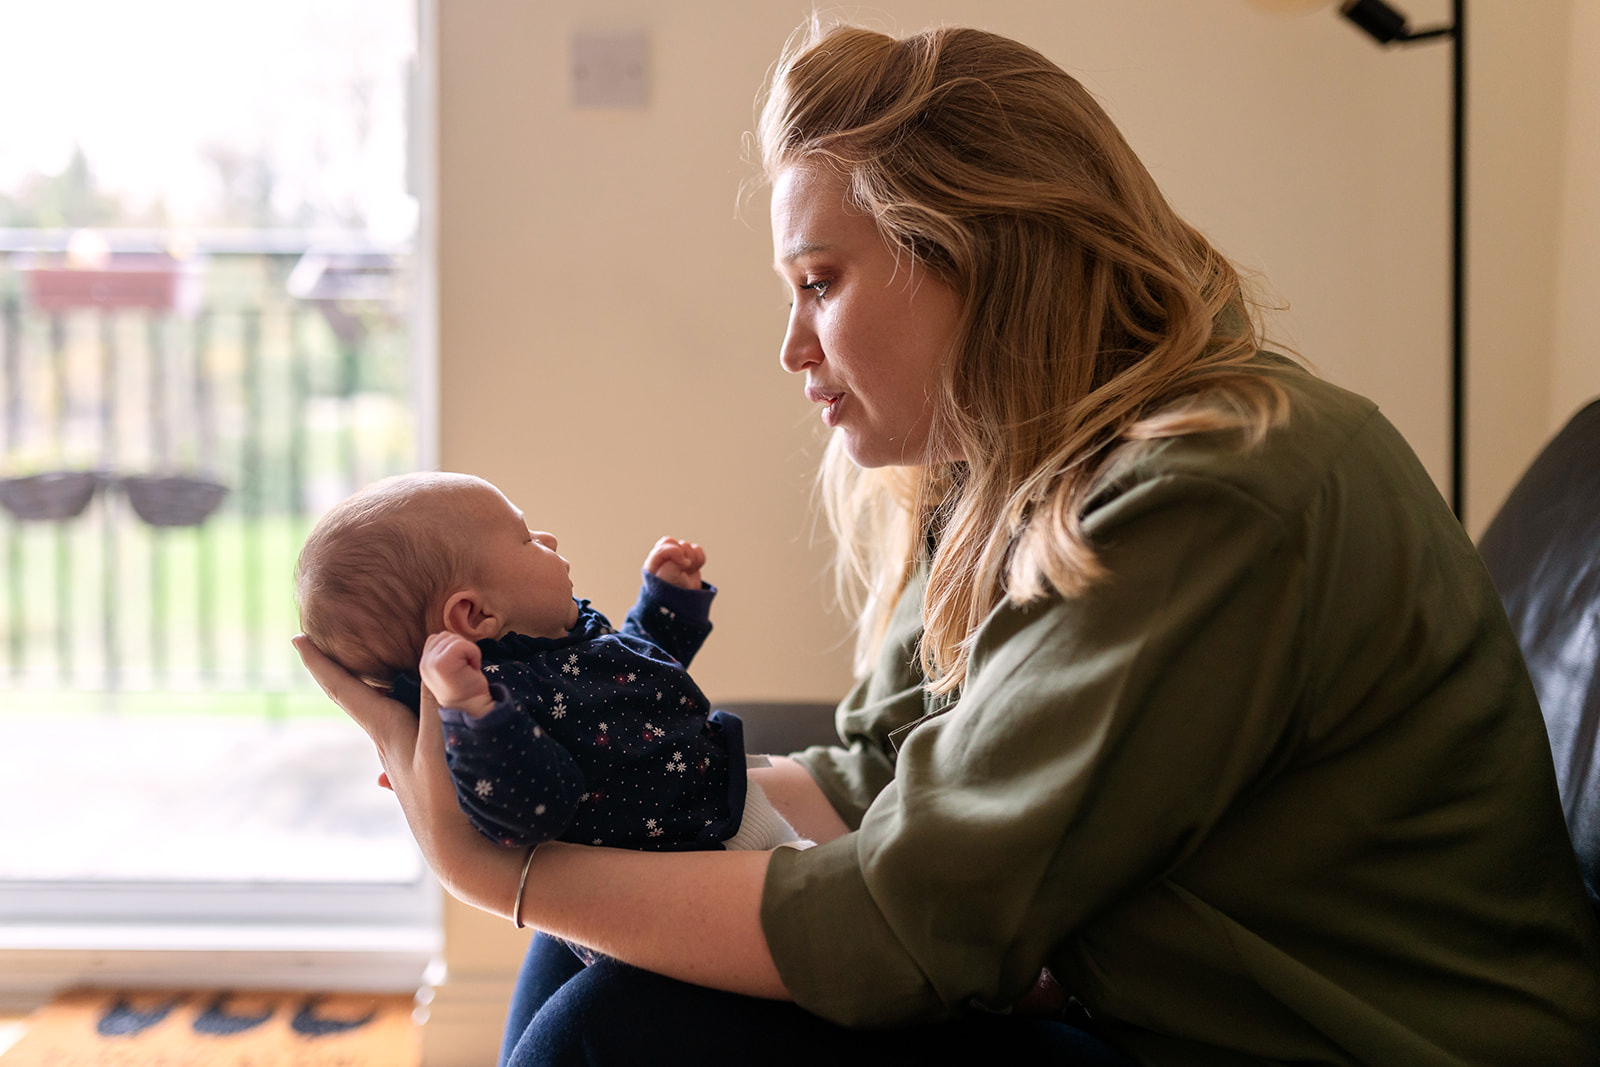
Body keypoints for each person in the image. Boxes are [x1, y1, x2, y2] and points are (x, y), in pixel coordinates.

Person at [295, 18, 1600, 1066]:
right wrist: (589, 785)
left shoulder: (1218, 487)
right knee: (608, 938)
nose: (792, 347)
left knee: (625, 1016)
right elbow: (879, 770)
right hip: (1143, 1006)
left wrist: (503, 867)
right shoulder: (1018, 471)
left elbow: (899, 927)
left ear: (971, 250)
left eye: (821, 281)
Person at [295, 472, 800, 871]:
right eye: (524, 538)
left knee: (809, 880)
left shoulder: (554, 651)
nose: (549, 537)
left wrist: (667, 604)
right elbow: (528, 812)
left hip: (724, 814)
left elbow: (634, 693)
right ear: (474, 616)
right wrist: (476, 713)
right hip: (680, 871)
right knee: (809, 909)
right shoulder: (494, 712)